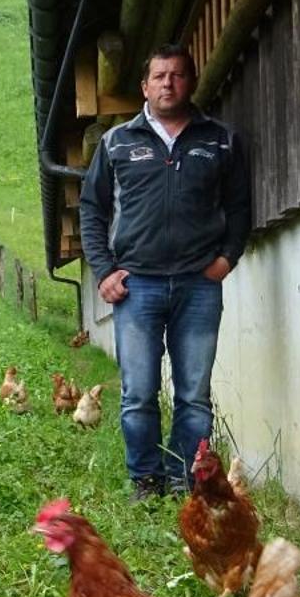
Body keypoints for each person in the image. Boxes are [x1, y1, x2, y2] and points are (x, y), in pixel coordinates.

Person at [77, 44, 251, 500]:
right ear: (144, 86)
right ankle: (146, 480)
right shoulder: (117, 143)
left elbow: (239, 207)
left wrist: (227, 258)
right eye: (158, 76)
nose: (167, 83)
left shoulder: (220, 139)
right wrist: (104, 272)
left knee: (194, 394)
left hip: (199, 285)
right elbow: (92, 210)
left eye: (176, 75)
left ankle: (184, 480)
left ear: (190, 82)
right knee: (139, 393)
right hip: (138, 288)